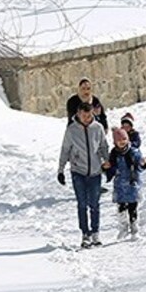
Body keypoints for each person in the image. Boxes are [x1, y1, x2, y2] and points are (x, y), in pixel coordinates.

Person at [57, 102, 110, 248]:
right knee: (82, 204)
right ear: (78, 114)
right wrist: (60, 170)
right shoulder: (72, 130)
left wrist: (107, 161)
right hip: (78, 171)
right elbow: (65, 150)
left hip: (95, 172)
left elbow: (103, 146)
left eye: (90, 115)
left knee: (94, 204)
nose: (87, 118)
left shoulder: (97, 128)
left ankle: (95, 233)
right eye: (84, 115)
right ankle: (85, 234)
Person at [105, 127, 146, 239]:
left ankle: (134, 229)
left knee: (133, 208)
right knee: (121, 209)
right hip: (120, 185)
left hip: (132, 184)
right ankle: (123, 228)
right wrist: (106, 168)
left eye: (124, 139)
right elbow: (111, 169)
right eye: (119, 140)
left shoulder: (134, 152)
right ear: (115, 142)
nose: (122, 142)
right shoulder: (114, 154)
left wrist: (142, 164)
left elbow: (140, 166)